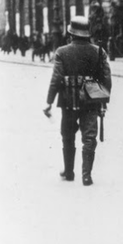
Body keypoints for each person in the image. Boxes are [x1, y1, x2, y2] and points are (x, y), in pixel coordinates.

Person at [44, 16, 112, 186]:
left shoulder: (61, 52)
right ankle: (86, 176)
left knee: (67, 135)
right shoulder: (99, 52)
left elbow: (56, 78)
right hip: (91, 101)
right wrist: (103, 101)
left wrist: (49, 101)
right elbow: (106, 79)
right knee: (89, 137)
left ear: (71, 34)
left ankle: (69, 172)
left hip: (69, 101)